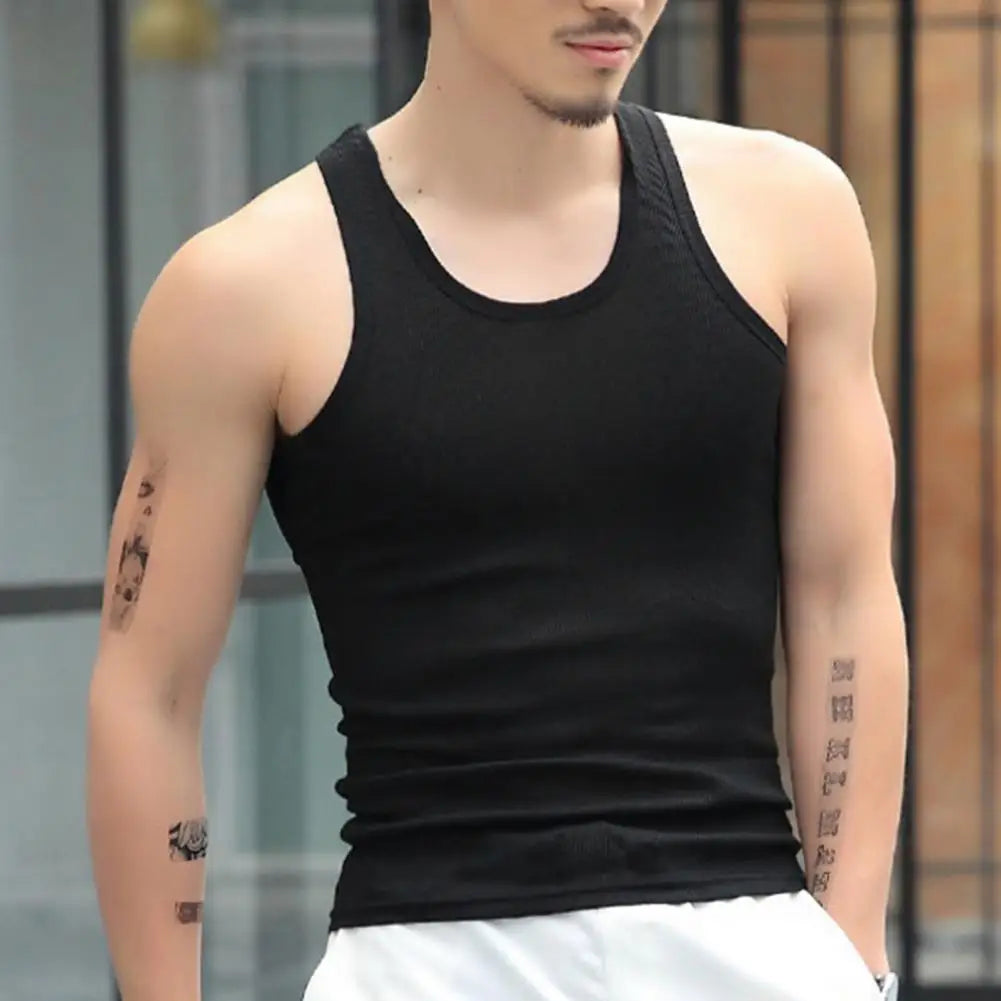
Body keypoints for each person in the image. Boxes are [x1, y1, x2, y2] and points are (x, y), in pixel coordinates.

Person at [86, 1, 908, 998]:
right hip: (426, 958)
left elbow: (844, 596)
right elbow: (151, 692)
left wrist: (849, 955)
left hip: (756, 947)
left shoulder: (787, 214)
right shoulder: (245, 288)